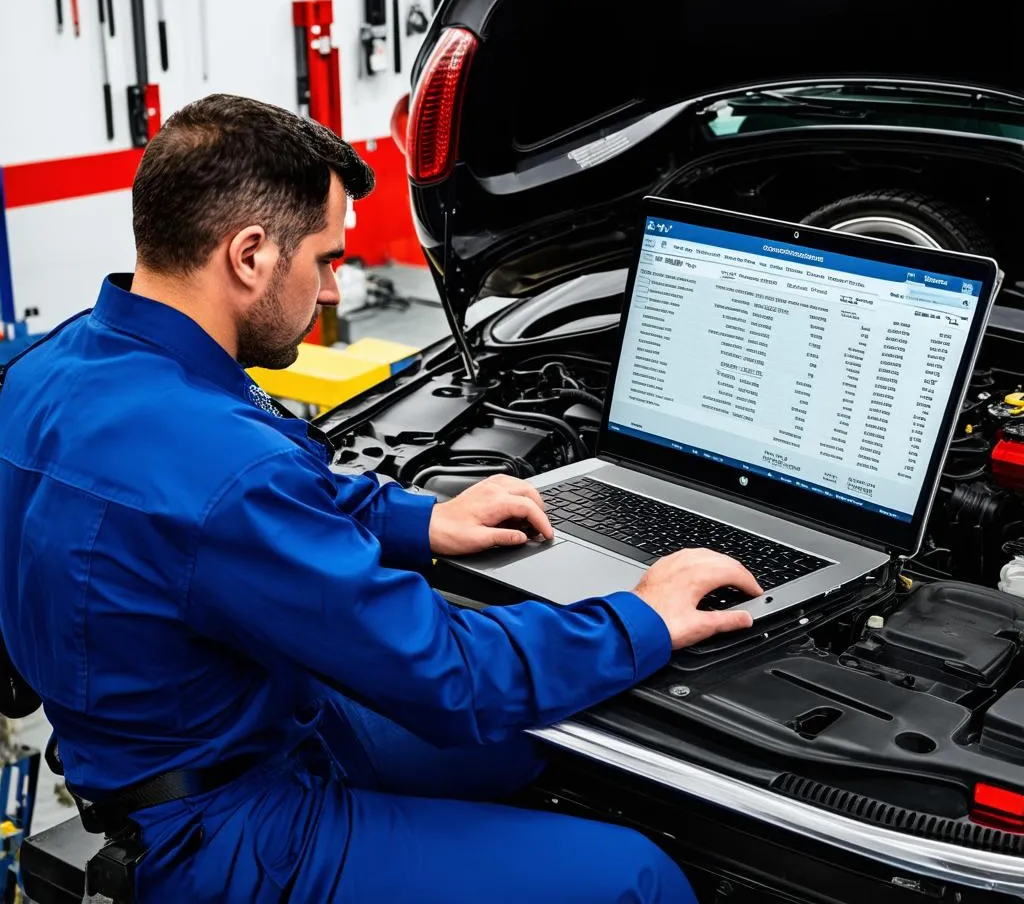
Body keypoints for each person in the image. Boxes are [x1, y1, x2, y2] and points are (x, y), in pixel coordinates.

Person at [0, 94, 762, 904]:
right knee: (635, 877)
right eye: (326, 259)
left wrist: (424, 519)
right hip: (227, 829)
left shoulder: (45, 372)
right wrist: (641, 615)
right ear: (250, 254)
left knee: (528, 750)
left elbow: (253, 501)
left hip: (188, 737)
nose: (332, 290)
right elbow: (450, 675)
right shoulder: (228, 468)